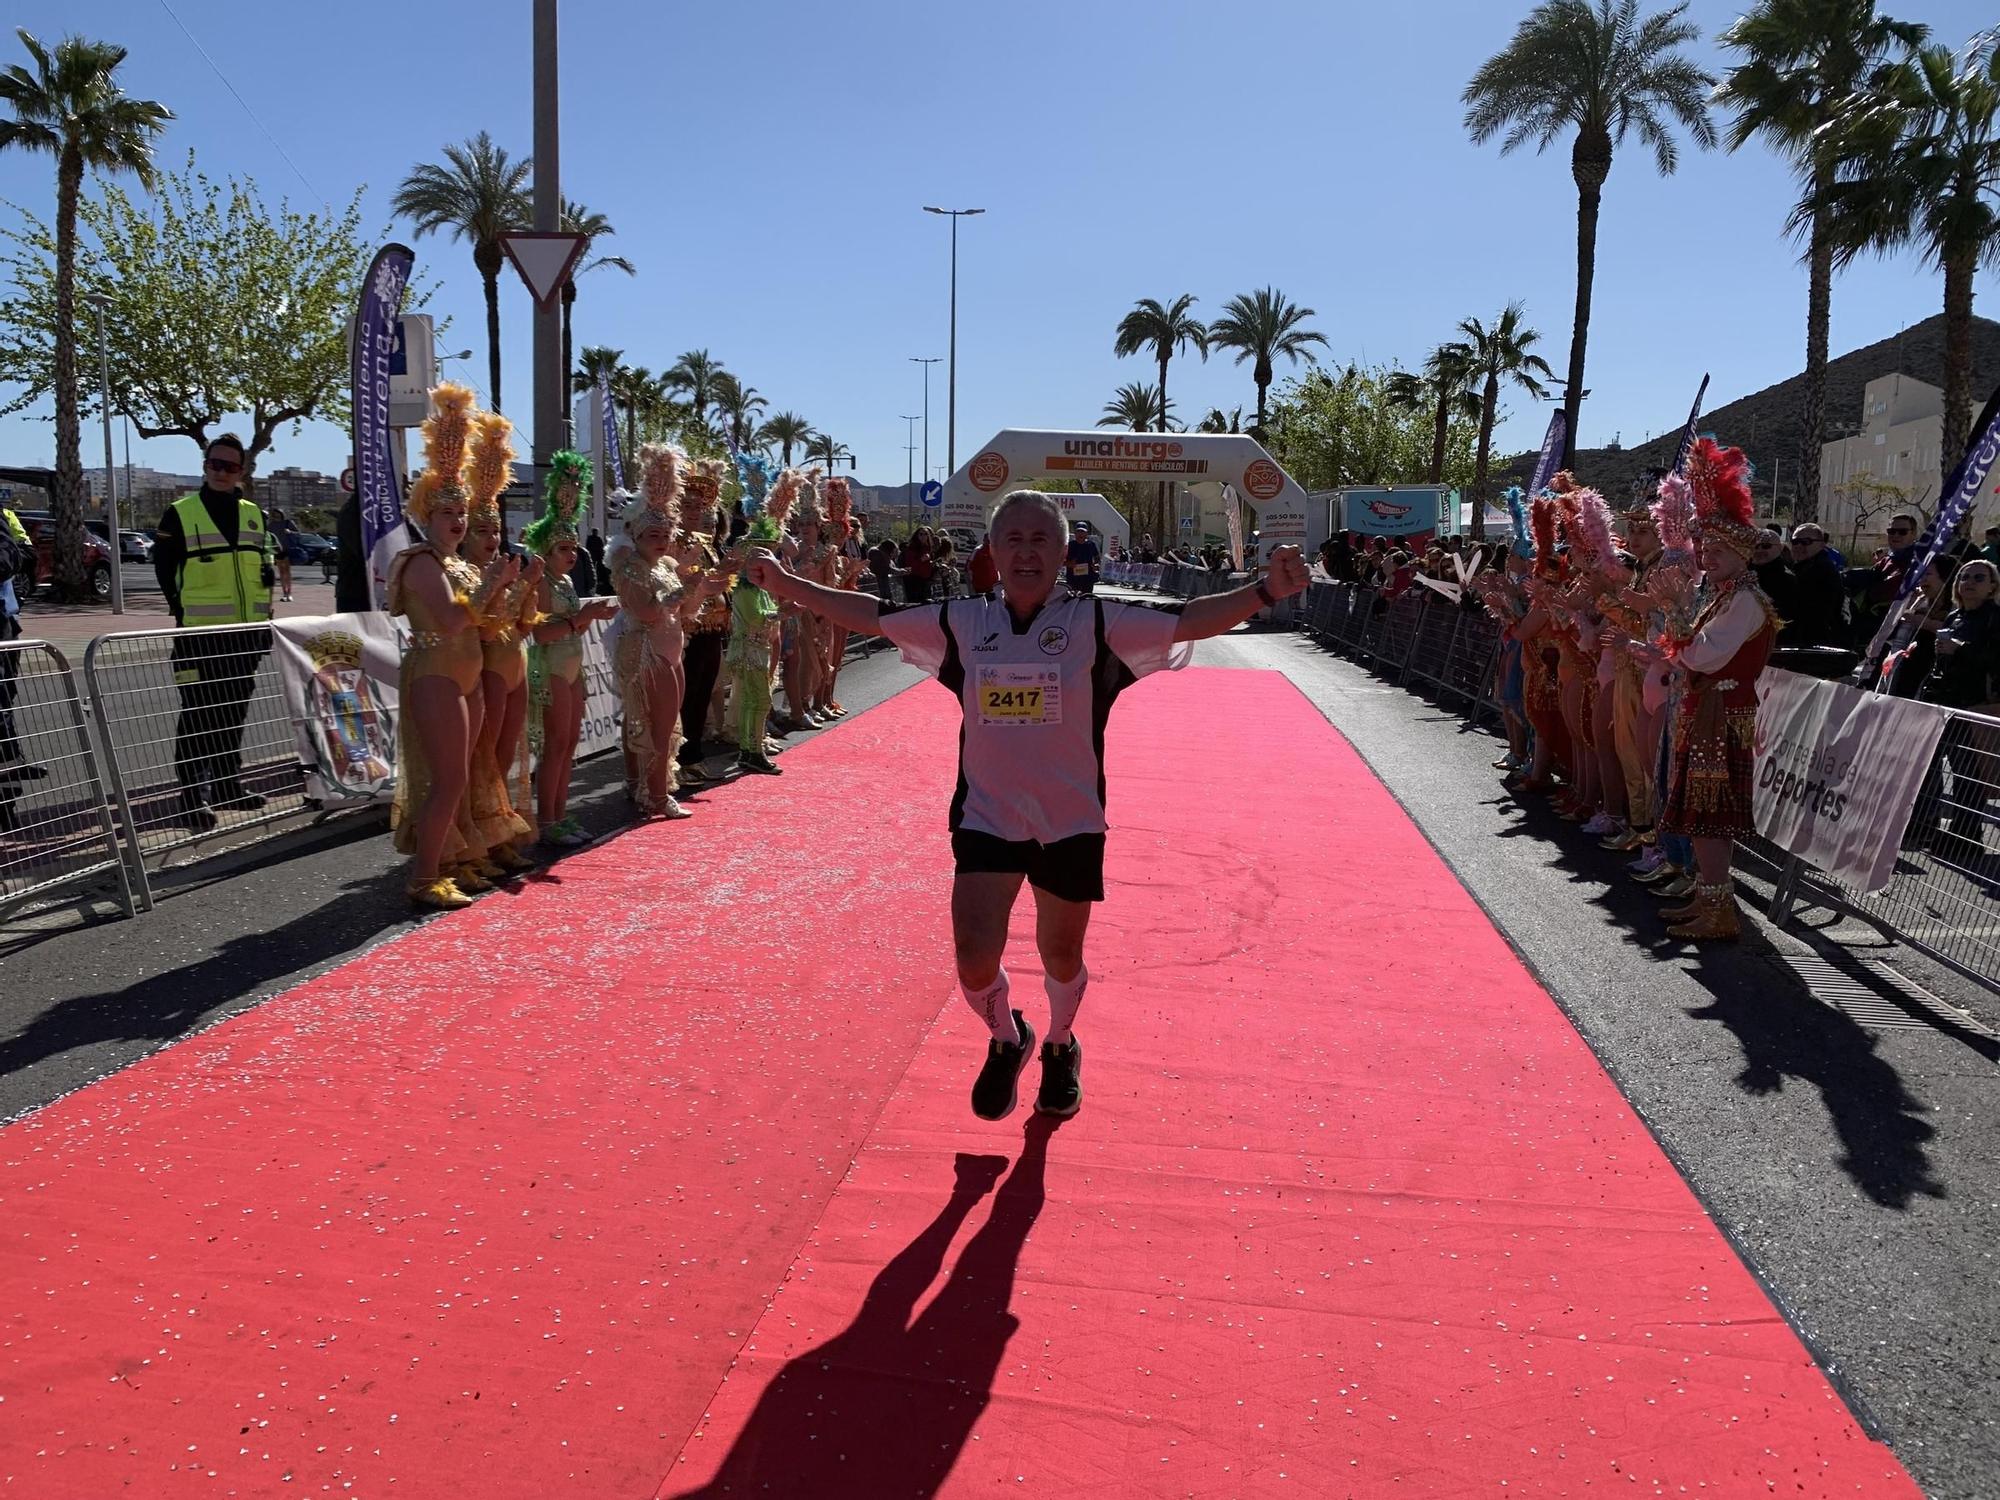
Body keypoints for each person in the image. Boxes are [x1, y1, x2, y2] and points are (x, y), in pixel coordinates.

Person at [743, 489, 1311, 1122]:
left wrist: (1265, 592)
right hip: (987, 818)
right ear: (991, 551)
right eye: (1012, 539)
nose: (1026, 552)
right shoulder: (963, 621)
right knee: (972, 957)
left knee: (1060, 957)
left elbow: (1187, 620)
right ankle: (1007, 1038)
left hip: (1070, 823)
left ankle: (1062, 1045)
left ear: (1065, 552)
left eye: (1041, 539)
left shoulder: (1096, 622)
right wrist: (790, 585)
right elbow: (873, 616)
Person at [386, 384, 517, 910]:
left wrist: (509, 588)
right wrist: (496, 585)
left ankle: (453, 860)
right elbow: (448, 615)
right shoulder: (420, 562)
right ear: (426, 516)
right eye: (447, 515)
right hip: (436, 674)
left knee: (467, 774)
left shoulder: (459, 563)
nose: (458, 522)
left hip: (468, 672)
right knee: (448, 778)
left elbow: (489, 622)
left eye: (460, 514)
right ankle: (422, 877)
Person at [1655, 439, 1780, 942]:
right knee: (1702, 814)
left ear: (1742, 553)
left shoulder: (1745, 601)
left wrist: (1679, 618)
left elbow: (1703, 654)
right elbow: (1692, 651)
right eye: (1705, 549)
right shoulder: (1725, 598)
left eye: (1718, 550)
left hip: (1722, 714)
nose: (1708, 556)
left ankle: (1717, 909)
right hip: (1708, 710)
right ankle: (1709, 899)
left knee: (1709, 815)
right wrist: (1682, 626)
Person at [152, 433, 275, 831]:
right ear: (205, 465)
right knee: (198, 716)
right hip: (200, 636)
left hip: (246, 635)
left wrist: (264, 622)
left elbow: (263, 565)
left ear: (242, 470)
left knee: (233, 713)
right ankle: (190, 798)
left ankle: (226, 786)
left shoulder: (254, 513)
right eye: (214, 464)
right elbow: (164, 569)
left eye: (230, 466)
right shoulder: (181, 512)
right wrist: (181, 610)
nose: (221, 472)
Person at [607, 443, 724, 818]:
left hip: (672, 650)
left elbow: (685, 611)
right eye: (652, 534)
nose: (661, 539)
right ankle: (655, 795)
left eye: (664, 533)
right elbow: (647, 611)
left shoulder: (666, 564)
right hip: (646, 652)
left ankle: (650, 789)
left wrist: (703, 588)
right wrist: (685, 586)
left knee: (669, 723)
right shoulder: (630, 567)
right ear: (638, 536)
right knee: (655, 726)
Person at [460, 412, 542, 870]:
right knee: (483, 760)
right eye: (481, 530)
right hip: (486, 666)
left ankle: (498, 832)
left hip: (516, 663)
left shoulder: (500, 568)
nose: (491, 538)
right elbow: (483, 625)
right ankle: (475, 840)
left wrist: (527, 585)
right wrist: (501, 584)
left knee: (506, 756)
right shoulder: (468, 572)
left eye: (495, 530)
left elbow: (523, 624)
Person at [525, 451, 618, 848]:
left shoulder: (562, 583)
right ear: (546, 549)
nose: (574, 554)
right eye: (565, 548)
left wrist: (588, 615)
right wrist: (583, 619)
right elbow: (539, 634)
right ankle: (548, 818)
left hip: (571, 663)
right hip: (550, 665)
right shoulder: (542, 582)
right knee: (555, 745)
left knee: (568, 746)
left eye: (574, 547)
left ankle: (559, 814)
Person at [1910, 558, 2000, 866]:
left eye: (1979, 577)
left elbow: (1994, 660)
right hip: (1941, 702)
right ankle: (1924, 825)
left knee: (1968, 775)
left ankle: (1967, 837)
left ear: (1992, 587)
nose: (1970, 582)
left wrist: (1959, 648)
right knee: (1928, 767)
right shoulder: (1956, 614)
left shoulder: (1994, 619)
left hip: (1972, 706)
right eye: (1964, 577)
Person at [676, 457, 733, 786]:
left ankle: (693, 756)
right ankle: (680, 759)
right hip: (688, 631)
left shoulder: (707, 546)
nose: (695, 510)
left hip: (713, 630)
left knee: (701, 696)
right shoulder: (672, 542)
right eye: (688, 504)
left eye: (700, 505)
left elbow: (715, 582)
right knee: (686, 696)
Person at [0, 500, 36, 831]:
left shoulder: (4, 516)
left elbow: (19, 557)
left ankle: (6, 800)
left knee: (1, 712)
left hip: (2, 622)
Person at [1784, 524, 1848, 647]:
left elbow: (1810, 612)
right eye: (1795, 541)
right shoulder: (1802, 567)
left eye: (1805, 542)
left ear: (1821, 544)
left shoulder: (1821, 569)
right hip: (1806, 640)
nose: (1798, 546)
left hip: (1816, 643)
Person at [333, 492, 370, 613]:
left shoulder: (392, 508)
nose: (408, 486)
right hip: (356, 593)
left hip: (378, 592)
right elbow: (362, 550)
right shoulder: (353, 511)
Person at [268, 506, 298, 602]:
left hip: (287, 549)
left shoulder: (288, 523)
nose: (276, 516)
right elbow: (268, 536)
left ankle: (289, 593)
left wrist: (290, 532)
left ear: (282, 514)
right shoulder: (271, 525)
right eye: (275, 514)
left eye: (278, 514)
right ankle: (284, 593)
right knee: (281, 572)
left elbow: (298, 534)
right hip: (277, 550)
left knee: (287, 571)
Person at [1065, 522, 1101, 596]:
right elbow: (1060, 561)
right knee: (1072, 601)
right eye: (1078, 531)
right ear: (1075, 533)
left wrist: (1096, 564)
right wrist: (1069, 564)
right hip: (1073, 578)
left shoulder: (1091, 544)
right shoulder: (1070, 545)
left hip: (1088, 578)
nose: (1080, 534)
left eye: (1082, 531)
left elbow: (1097, 557)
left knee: (1087, 600)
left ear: (1086, 533)